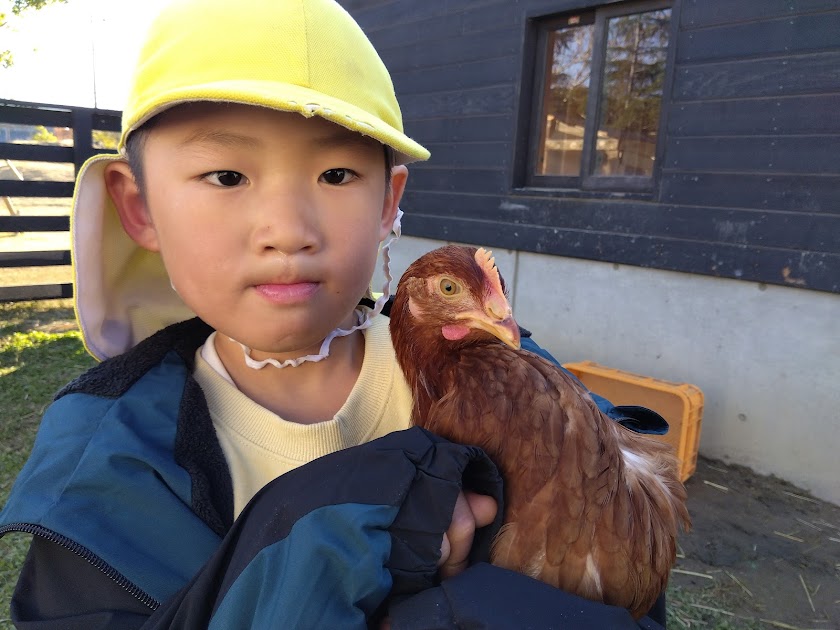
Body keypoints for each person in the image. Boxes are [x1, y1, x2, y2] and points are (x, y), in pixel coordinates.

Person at [0, 0, 670, 627]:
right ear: (139, 206)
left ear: (388, 203)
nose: (288, 230)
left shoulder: (528, 393)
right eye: (227, 177)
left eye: (337, 176)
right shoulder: (100, 471)